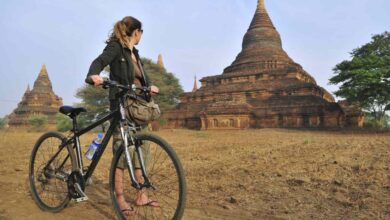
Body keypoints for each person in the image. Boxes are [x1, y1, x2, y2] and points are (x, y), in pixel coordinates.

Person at [86, 16, 160, 216]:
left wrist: (149, 87)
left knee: (142, 148)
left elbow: (140, 78)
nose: (142, 36)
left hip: (139, 106)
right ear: (137, 32)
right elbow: (99, 61)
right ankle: (119, 198)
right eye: (142, 32)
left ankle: (141, 194)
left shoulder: (135, 52)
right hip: (121, 105)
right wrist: (93, 75)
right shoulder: (116, 47)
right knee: (121, 149)